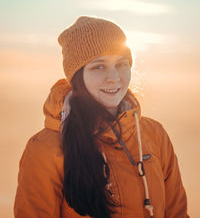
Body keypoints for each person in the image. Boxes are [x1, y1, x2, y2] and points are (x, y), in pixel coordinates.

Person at [14, 16, 190, 218]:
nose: (114, 77)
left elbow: (177, 213)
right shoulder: (45, 150)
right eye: (99, 66)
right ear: (77, 76)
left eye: (122, 64)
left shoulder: (154, 134)